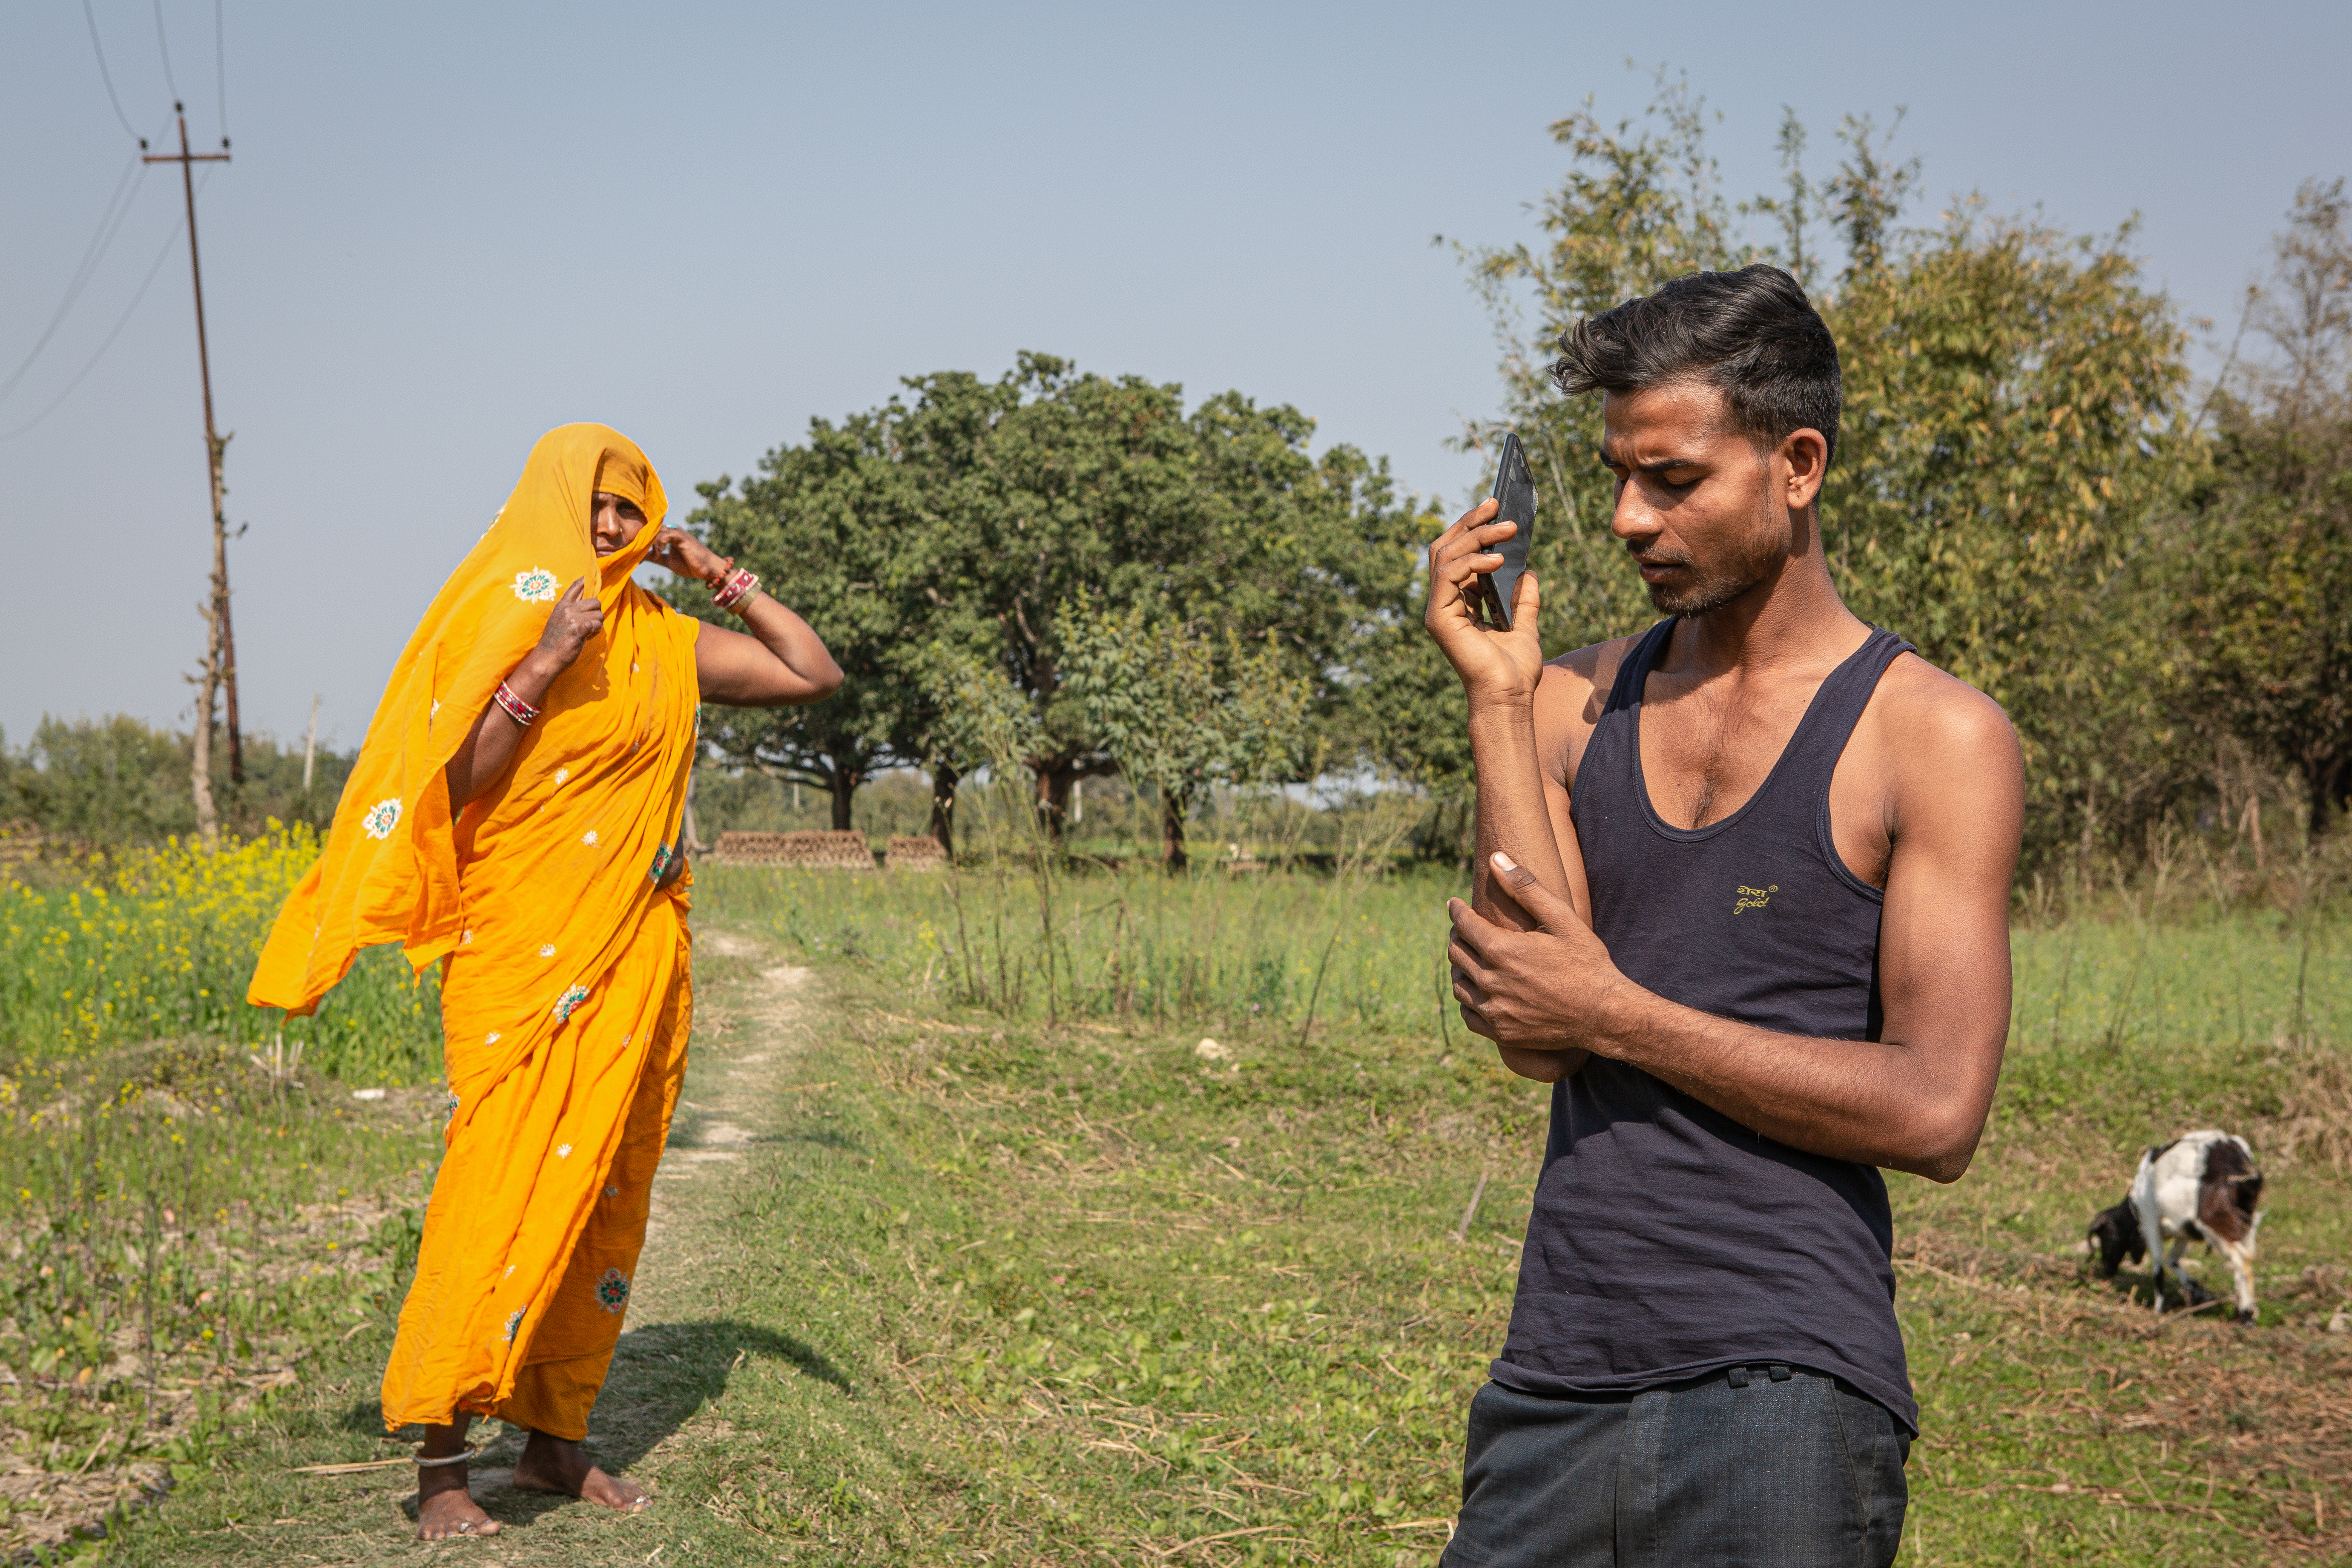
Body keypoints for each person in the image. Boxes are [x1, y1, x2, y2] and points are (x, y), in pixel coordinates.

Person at [1424, 266, 2023, 1567]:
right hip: (1554, 1374)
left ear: (1795, 463)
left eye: (1676, 480)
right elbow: (1537, 1034)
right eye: (1616, 478)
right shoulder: (1572, 702)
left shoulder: (1933, 738)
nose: (1631, 518)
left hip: (1785, 1387)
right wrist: (1495, 699)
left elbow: (1936, 1111)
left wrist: (1619, 1013)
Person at [247, 424, 842, 1540]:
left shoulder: (668, 639)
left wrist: (716, 574)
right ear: (551, 506)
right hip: (524, 957)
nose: (611, 526)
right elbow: (448, 785)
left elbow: (813, 671)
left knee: (606, 1191)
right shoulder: (507, 616)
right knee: (499, 1190)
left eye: (631, 509)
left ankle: (556, 1441)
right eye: (596, 506)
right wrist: (538, 663)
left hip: (636, 952)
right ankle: (441, 1466)